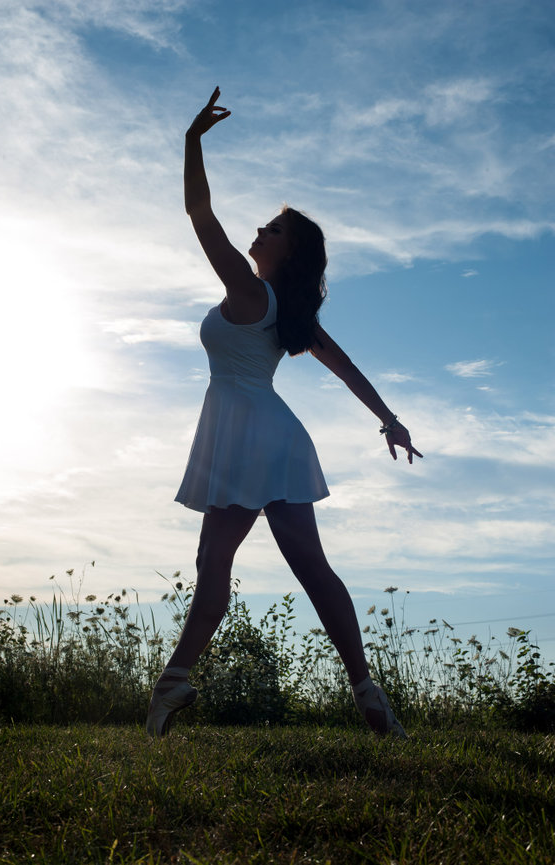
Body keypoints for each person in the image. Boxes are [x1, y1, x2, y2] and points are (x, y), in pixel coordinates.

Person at [146, 88, 422, 739]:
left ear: (286, 252)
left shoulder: (248, 291)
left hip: (244, 437)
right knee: (289, 565)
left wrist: (191, 141)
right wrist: (389, 419)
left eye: (272, 229)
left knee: (216, 560)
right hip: (273, 435)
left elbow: (198, 211)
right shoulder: (289, 311)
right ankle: (368, 696)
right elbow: (348, 367)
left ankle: (172, 684)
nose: (260, 231)